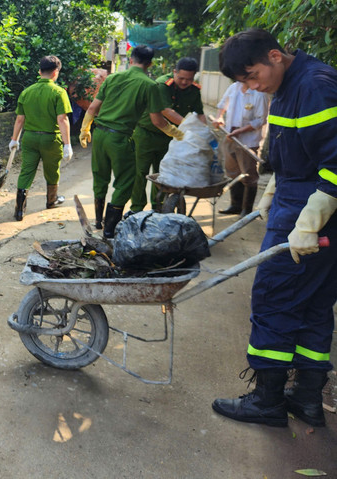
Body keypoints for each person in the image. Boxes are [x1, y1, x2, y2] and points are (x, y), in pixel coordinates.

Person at [211, 29, 337, 428]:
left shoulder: (314, 87)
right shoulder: (289, 85)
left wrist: (310, 218)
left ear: (275, 56)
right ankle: (307, 399)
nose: (252, 87)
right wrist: (272, 190)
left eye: (252, 76)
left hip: (310, 212)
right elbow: (297, 153)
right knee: (313, 305)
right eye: (243, 82)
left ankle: (266, 401)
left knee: (273, 298)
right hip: (298, 201)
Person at [78, 45, 184, 238]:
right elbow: (157, 121)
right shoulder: (150, 85)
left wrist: (85, 129)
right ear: (150, 64)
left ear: (131, 59)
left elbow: (92, 108)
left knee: (100, 177)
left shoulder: (112, 78)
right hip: (119, 138)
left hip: (99, 135)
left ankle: (98, 221)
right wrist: (178, 134)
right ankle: (109, 230)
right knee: (126, 181)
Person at [128, 57, 207, 215]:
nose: (184, 82)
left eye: (189, 79)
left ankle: (158, 208)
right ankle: (136, 209)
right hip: (146, 134)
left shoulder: (194, 90)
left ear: (194, 77)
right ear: (174, 72)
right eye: (181, 78)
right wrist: (188, 126)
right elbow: (166, 111)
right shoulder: (162, 85)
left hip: (169, 137)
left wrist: (204, 131)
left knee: (164, 174)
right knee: (140, 172)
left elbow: (199, 113)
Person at [8, 55, 73, 221]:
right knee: (52, 171)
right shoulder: (59, 92)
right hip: (50, 140)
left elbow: (20, 119)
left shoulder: (26, 92)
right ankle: (51, 200)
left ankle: (19, 210)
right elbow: (62, 119)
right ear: (55, 72)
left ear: (39, 71)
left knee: (26, 171)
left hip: (29, 138)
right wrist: (67, 144)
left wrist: (14, 139)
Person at [213, 81, 270, 217]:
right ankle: (235, 205)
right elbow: (222, 105)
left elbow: (260, 120)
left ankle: (246, 210)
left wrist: (240, 131)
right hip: (229, 137)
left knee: (248, 175)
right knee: (233, 172)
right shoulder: (234, 88)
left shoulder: (260, 94)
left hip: (248, 141)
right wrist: (219, 117)